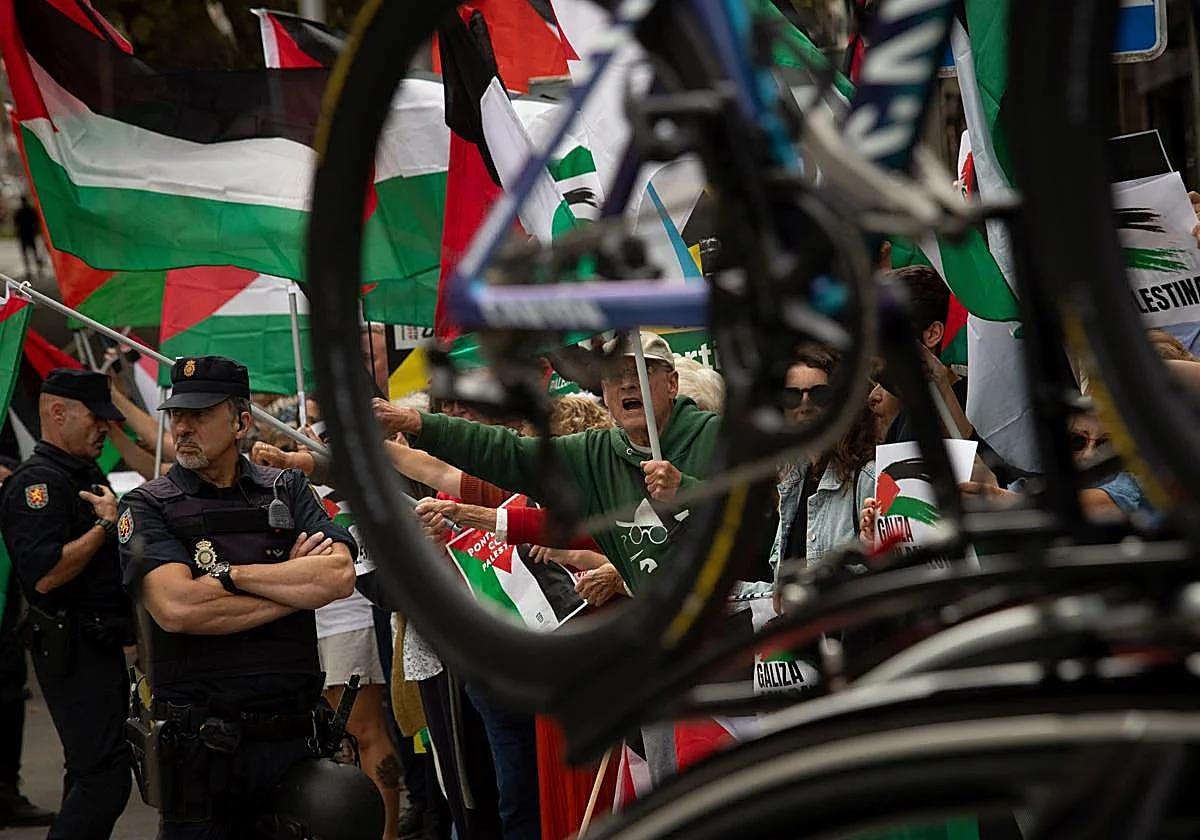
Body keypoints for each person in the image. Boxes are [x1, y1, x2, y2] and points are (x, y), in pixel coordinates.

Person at [116, 356, 360, 839]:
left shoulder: (286, 487)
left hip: (294, 741)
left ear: (242, 421)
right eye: (177, 415)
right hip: (203, 753)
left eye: (200, 414)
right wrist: (294, 585)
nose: (183, 427)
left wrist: (229, 576)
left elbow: (337, 576)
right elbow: (178, 608)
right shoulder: (147, 504)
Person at [373, 332, 719, 594]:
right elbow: (508, 453)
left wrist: (685, 490)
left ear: (672, 384)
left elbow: (763, 525)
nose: (628, 382)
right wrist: (416, 423)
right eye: (615, 375)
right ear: (604, 391)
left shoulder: (716, 436)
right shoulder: (594, 455)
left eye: (642, 372)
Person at [0, 369, 133, 839]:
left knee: (88, 770)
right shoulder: (37, 486)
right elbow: (46, 574)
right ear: (58, 413)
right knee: (106, 776)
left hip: (100, 641)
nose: (104, 428)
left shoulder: (82, 471)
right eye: (97, 418)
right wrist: (102, 528)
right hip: (71, 645)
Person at [768, 346, 877, 599]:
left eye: (819, 394)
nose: (804, 405)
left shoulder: (868, 477)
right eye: (792, 396)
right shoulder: (792, 479)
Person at [14, 196, 45, 278]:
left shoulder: (20, 211)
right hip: (30, 234)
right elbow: (36, 222)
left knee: (27, 253)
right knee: (33, 252)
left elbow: (16, 223)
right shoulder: (30, 210)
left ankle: (30, 270)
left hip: (24, 234)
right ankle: (36, 269)